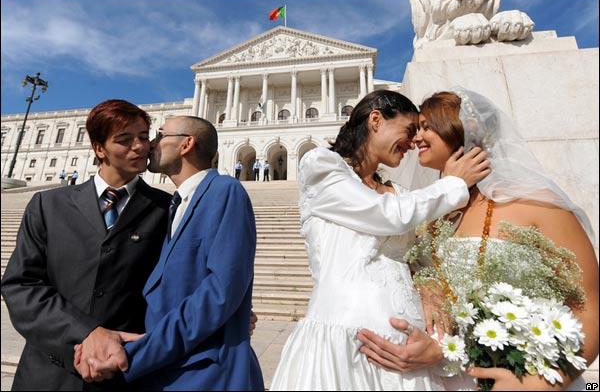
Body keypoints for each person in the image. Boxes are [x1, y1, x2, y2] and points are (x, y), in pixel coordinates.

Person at [357, 88, 598, 390]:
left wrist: (542, 381)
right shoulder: (432, 220)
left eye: (426, 127)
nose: (416, 138)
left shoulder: (538, 205)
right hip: (454, 377)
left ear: (464, 130)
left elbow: (588, 309)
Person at [270, 90, 490, 390]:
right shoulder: (321, 166)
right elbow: (383, 214)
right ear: (376, 120)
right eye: (409, 130)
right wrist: (453, 185)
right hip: (343, 344)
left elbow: (418, 257)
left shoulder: (400, 192)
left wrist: (428, 288)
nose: (414, 142)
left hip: (407, 354)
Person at [77, 116, 264, 390]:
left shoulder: (225, 191)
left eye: (160, 135)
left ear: (186, 144)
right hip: (169, 366)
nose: (148, 144)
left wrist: (132, 356)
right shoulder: (173, 205)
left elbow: (218, 293)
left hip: (203, 372)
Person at [1, 99, 172, 390]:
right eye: (125, 139)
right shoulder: (48, 205)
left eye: (144, 137)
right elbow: (21, 285)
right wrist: (86, 333)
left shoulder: (167, 208)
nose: (140, 147)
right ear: (99, 148)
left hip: (122, 371)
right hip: (49, 373)